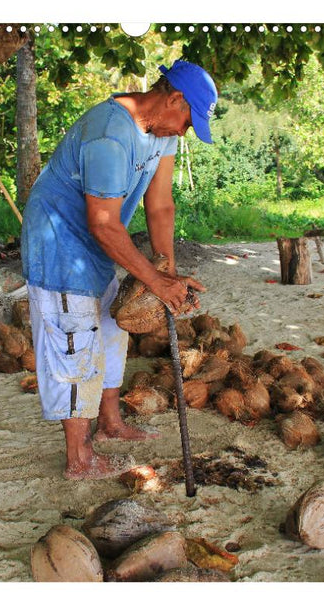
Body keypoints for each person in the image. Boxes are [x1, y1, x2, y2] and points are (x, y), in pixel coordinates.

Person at [20, 59, 218, 480]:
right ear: (174, 98)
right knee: (74, 341)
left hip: (100, 245)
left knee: (112, 330)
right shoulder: (110, 134)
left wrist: (167, 272)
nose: (185, 131)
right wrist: (154, 280)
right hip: (59, 244)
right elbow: (104, 223)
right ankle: (79, 458)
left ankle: (111, 422)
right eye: (188, 120)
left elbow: (161, 205)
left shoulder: (161, 134)